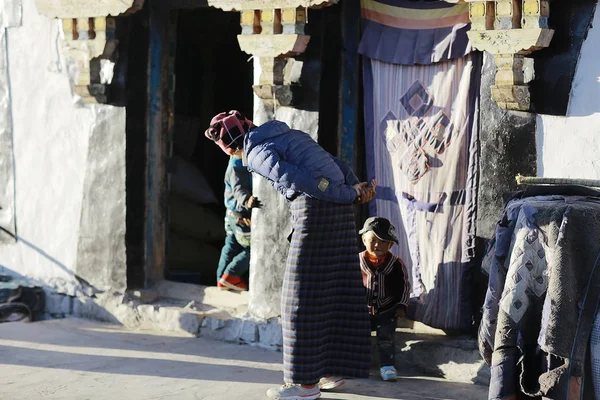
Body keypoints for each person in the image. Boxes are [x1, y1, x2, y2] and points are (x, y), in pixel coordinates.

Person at [206, 111, 376, 400]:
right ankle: (330, 370)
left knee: (298, 298)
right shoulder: (289, 134)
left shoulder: (257, 152)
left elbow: (299, 180)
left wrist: (347, 194)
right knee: (333, 286)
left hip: (317, 211)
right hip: (338, 213)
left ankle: (304, 385)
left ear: (232, 146)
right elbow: (336, 163)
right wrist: (354, 187)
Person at [205, 111, 261, 291]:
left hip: (231, 215)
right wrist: (248, 200)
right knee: (251, 249)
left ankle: (221, 279)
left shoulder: (235, 161)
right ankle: (232, 275)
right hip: (241, 216)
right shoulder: (238, 165)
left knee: (230, 246)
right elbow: (238, 190)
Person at [358, 217, 411, 382]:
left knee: (386, 339)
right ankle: (357, 366)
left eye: (383, 242)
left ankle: (387, 366)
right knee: (359, 339)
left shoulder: (396, 264)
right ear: (364, 239)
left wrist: (401, 305)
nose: (377, 245)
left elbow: (404, 286)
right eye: (373, 240)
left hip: (387, 311)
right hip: (361, 312)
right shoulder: (356, 262)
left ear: (390, 244)